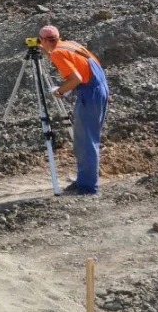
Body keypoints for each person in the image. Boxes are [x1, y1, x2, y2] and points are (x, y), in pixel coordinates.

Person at [39, 25, 110, 195]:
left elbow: (76, 78)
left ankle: (87, 187)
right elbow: (87, 63)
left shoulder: (57, 53)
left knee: (86, 141)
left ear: (42, 40)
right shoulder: (70, 44)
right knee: (86, 139)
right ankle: (84, 180)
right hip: (99, 88)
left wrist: (60, 91)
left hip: (90, 93)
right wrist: (47, 52)